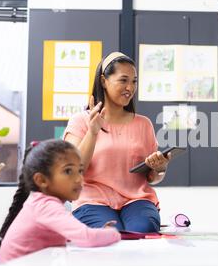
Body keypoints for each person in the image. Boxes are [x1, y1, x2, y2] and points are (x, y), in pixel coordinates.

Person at [64, 52, 170, 233]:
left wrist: (160, 168)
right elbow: (73, 170)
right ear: (104, 81)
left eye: (134, 81)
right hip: (92, 201)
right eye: (123, 80)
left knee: (142, 228)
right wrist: (93, 132)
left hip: (137, 201)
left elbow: (152, 178)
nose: (130, 87)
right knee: (110, 232)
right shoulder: (81, 121)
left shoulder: (143, 124)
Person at [0, 140, 121, 266]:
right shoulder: (45, 206)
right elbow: (87, 237)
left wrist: (98, 233)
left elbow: (72, 236)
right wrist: (114, 233)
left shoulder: (42, 203)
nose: (78, 179)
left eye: (80, 171)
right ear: (42, 180)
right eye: (68, 171)